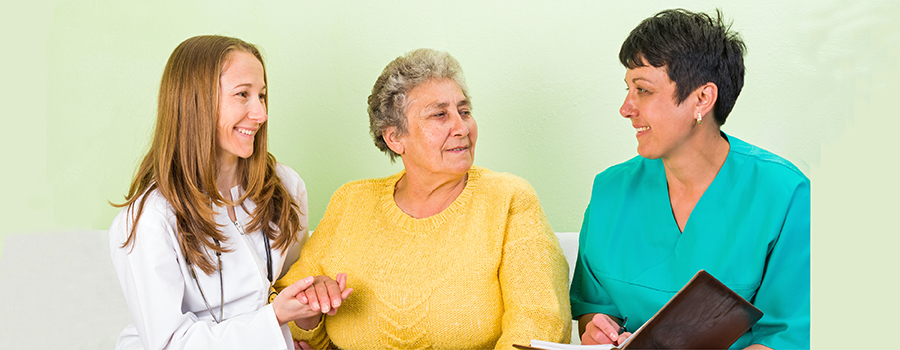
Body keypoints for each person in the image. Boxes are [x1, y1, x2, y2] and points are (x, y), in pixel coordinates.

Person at [274, 48, 571, 349]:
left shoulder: (508, 198)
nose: (461, 127)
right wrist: (310, 312)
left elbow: (539, 323)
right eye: (440, 114)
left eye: (464, 111)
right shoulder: (351, 202)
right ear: (395, 138)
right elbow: (289, 315)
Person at [570, 9, 810, 350]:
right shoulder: (610, 190)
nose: (626, 107)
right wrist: (595, 327)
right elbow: (592, 308)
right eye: (627, 89)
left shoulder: (785, 194)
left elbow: (790, 334)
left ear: (702, 98)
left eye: (643, 90)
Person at [109, 35, 344, 350]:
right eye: (242, 95)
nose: (260, 114)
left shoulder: (285, 189)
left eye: (261, 95)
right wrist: (274, 319)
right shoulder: (149, 221)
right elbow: (169, 344)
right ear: (196, 104)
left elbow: (288, 285)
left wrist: (311, 299)